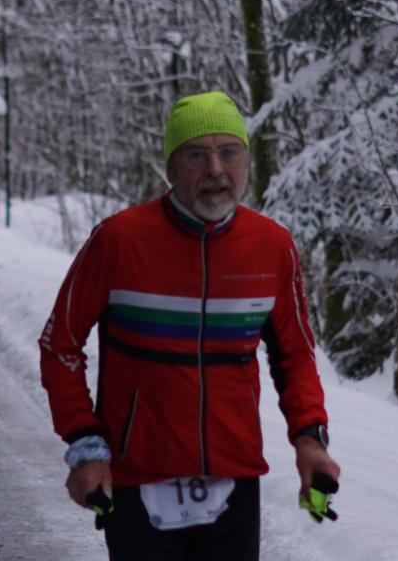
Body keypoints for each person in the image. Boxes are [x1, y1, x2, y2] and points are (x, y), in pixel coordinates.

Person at [38, 91, 340, 560]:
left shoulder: (272, 247)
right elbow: (61, 345)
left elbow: (295, 355)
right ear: (171, 168)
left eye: (229, 152)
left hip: (233, 479)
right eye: (197, 155)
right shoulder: (119, 241)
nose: (216, 169)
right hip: (138, 480)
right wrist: (86, 444)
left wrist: (309, 439)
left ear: (246, 162)